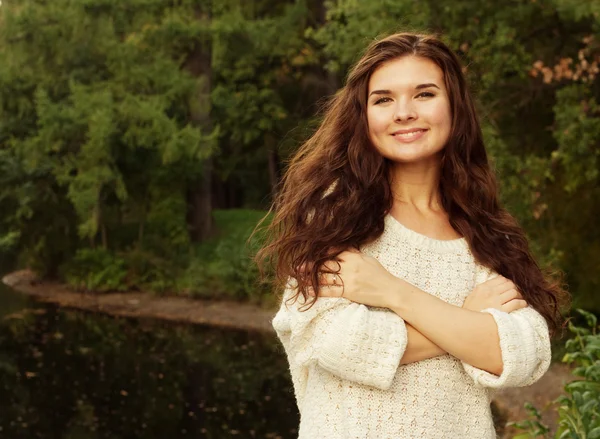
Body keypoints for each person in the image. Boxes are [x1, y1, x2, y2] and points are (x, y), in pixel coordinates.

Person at [256, 32, 567, 439]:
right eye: (383, 99)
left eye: (424, 94)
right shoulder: (334, 217)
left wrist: (389, 291)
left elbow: (526, 352)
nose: (403, 112)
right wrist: (469, 324)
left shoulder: (486, 231)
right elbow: (338, 344)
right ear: (363, 115)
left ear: (455, 106)